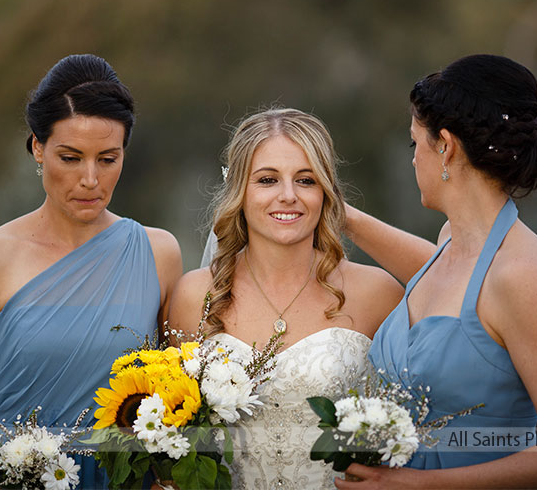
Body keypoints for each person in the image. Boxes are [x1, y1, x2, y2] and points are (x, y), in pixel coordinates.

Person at [338, 54, 537, 488]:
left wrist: (418, 485)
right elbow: (442, 283)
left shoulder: (521, 275)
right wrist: (341, 216)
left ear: (445, 145)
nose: (412, 160)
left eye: (415, 144)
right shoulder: (452, 242)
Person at [0, 54, 182, 488]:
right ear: (38, 147)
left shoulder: (160, 254)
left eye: (108, 158)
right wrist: (16, 475)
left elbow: (177, 398)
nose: (90, 179)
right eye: (71, 157)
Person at [168, 108, 404, 489]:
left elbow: (460, 277)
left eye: (306, 180)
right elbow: (175, 444)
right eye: (267, 180)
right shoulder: (194, 296)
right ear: (239, 190)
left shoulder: (378, 293)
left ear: (326, 191)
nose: (288, 196)